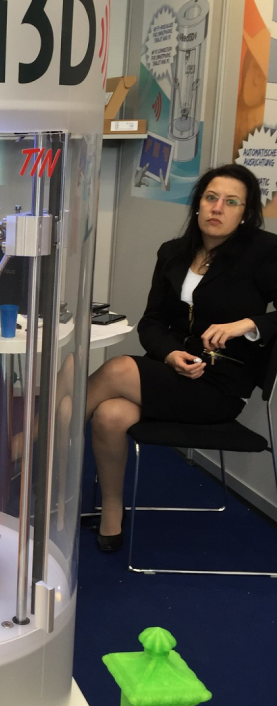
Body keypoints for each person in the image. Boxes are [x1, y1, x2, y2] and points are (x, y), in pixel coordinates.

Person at [86, 164, 277, 551]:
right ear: (198, 204)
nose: (217, 208)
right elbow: (152, 322)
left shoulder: (263, 252)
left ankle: (30, 449)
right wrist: (170, 353)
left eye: (231, 202)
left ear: (246, 213)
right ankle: (112, 511)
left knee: (117, 368)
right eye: (211, 198)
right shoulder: (173, 252)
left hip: (219, 387)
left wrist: (249, 324)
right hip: (173, 371)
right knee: (109, 414)